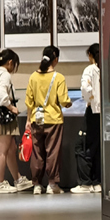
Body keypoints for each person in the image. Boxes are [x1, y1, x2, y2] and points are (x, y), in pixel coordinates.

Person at [0, 49, 33, 194]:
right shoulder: (4, 75)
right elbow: (1, 95)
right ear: (10, 62)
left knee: (11, 149)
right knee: (2, 151)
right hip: (4, 113)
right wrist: (11, 107)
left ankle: (17, 179)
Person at [25, 46, 72, 195]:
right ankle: (52, 184)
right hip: (54, 120)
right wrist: (69, 103)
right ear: (56, 59)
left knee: (37, 152)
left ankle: (37, 184)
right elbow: (64, 100)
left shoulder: (33, 77)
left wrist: (28, 119)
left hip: (36, 119)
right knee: (53, 152)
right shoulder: (59, 78)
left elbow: (29, 102)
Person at [72, 43, 102, 194]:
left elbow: (85, 88)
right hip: (104, 112)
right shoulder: (105, 68)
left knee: (83, 146)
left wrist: (89, 100)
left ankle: (85, 183)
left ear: (90, 55)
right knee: (97, 146)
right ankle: (97, 181)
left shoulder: (90, 70)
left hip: (92, 111)